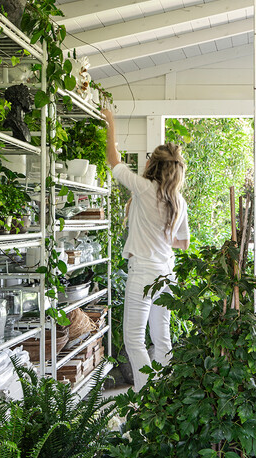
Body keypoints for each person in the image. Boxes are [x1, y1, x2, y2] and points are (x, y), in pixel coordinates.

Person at [102, 108, 190, 392]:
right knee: (161, 339)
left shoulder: (142, 188)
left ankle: (144, 397)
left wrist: (111, 122)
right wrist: (163, 238)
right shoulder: (179, 201)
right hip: (167, 274)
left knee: (134, 340)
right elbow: (183, 243)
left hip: (143, 275)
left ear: (154, 164)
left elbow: (114, 161)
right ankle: (163, 400)